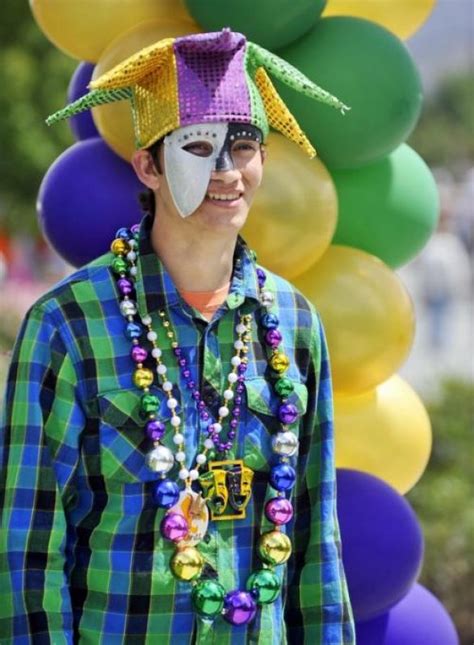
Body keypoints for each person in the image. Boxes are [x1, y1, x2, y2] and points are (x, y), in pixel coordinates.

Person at [0, 29, 355, 644]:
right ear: (149, 165)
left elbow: (316, 539)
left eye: (244, 146)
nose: (226, 170)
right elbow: (28, 548)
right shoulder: (69, 322)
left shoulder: (295, 322)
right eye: (198, 146)